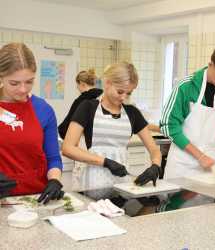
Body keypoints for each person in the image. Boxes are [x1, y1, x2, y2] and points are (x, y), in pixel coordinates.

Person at [159, 46, 215, 211]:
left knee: (203, 217)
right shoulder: (185, 87)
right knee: (174, 215)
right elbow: (168, 125)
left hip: (210, 168)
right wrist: (200, 156)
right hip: (182, 165)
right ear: (210, 64)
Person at [62, 62, 162, 199]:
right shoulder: (87, 108)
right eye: (120, 91)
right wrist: (105, 162)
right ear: (107, 83)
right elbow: (67, 148)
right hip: (93, 184)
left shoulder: (132, 113)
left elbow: (154, 149)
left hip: (123, 185)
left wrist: (155, 166)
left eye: (129, 93)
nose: (123, 97)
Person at [0, 42, 64, 204]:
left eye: (29, 82)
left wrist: (54, 180)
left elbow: (53, 158)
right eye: (14, 83)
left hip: (36, 200)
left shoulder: (43, 110)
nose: (23, 89)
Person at [58, 69, 103, 139]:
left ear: (82, 84)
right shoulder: (103, 97)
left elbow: (68, 123)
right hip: (99, 137)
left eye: (77, 85)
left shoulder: (80, 101)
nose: (77, 87)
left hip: (81, 139)